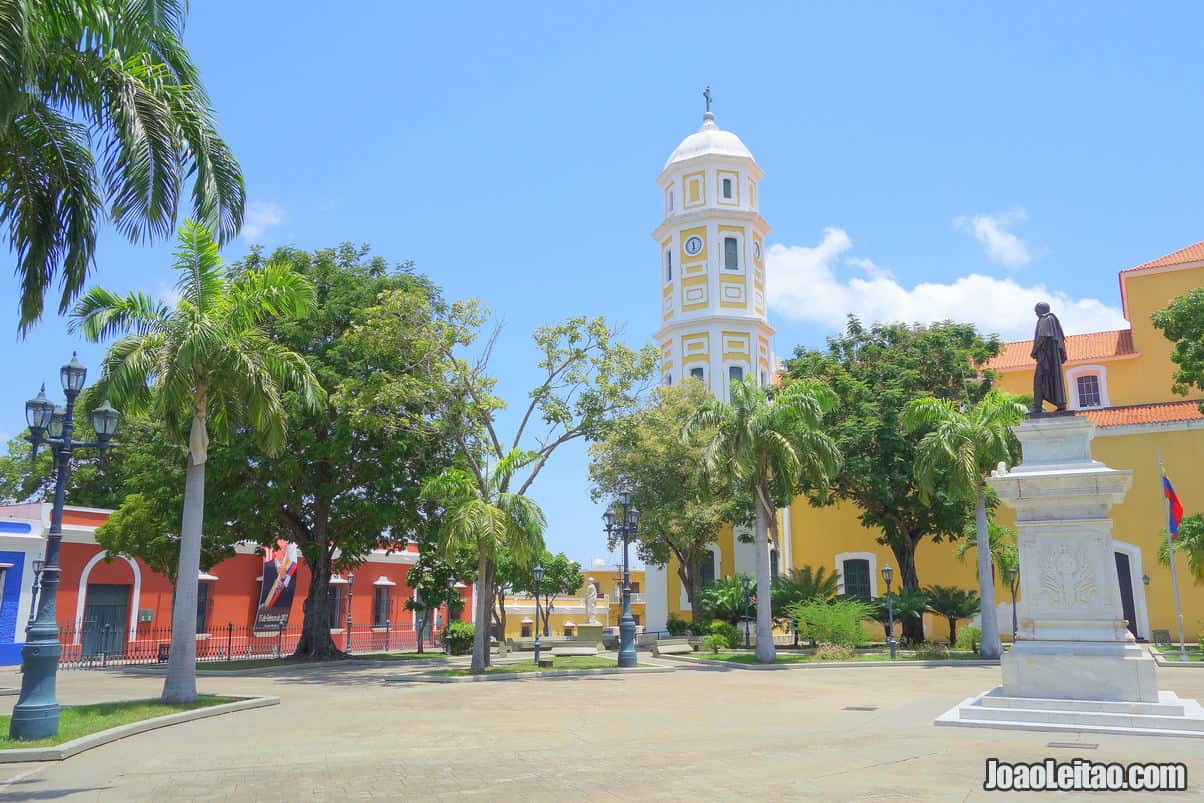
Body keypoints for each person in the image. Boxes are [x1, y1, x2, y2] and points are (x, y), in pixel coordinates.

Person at [1030, 301, 1068, 413]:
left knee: (1038, 380)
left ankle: (1037, 407)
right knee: (1052, 379)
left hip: (1045, 357)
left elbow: (1042, 337)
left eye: (1036, 310)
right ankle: (1061, 404)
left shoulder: (1045, 319)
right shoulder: (1053, 319)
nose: (1035, 313)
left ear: (1040, 310)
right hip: (1051, 358)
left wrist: (1034, 351)